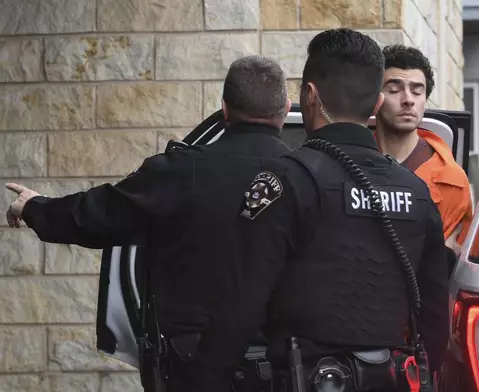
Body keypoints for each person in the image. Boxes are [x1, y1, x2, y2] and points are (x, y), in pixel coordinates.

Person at [5, 55, 293, 392]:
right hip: (285, 366)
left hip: (192, 368)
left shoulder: (177, 172)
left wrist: (35, 207)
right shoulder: (311, 176)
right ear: (286, 109)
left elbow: (96, 216)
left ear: (225, 108)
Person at [227, 28, 450, 391]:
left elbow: (241, 302)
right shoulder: (416, 191)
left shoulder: (286, 180)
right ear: (377, 104)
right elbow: (436, 315)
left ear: (310, 96)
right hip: (390, 379)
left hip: (304, 377)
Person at [374, 44, 473, 255]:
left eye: (417, 91)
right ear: (375, 98)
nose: (408, 100)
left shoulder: (452, 180)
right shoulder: (349, 162)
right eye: (394, 90)